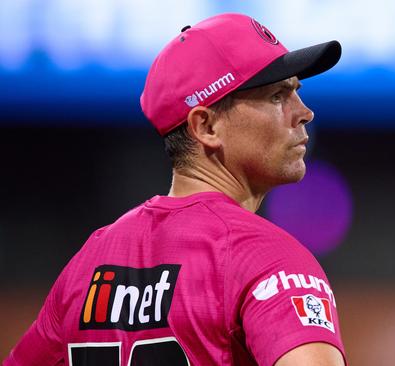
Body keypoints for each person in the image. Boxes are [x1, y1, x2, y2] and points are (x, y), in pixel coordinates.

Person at [3, 13, 345, 366]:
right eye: (277, 96)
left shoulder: (88, 265)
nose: (305, 112)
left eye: (296, 91)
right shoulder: (264, 258)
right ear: (206, 125)